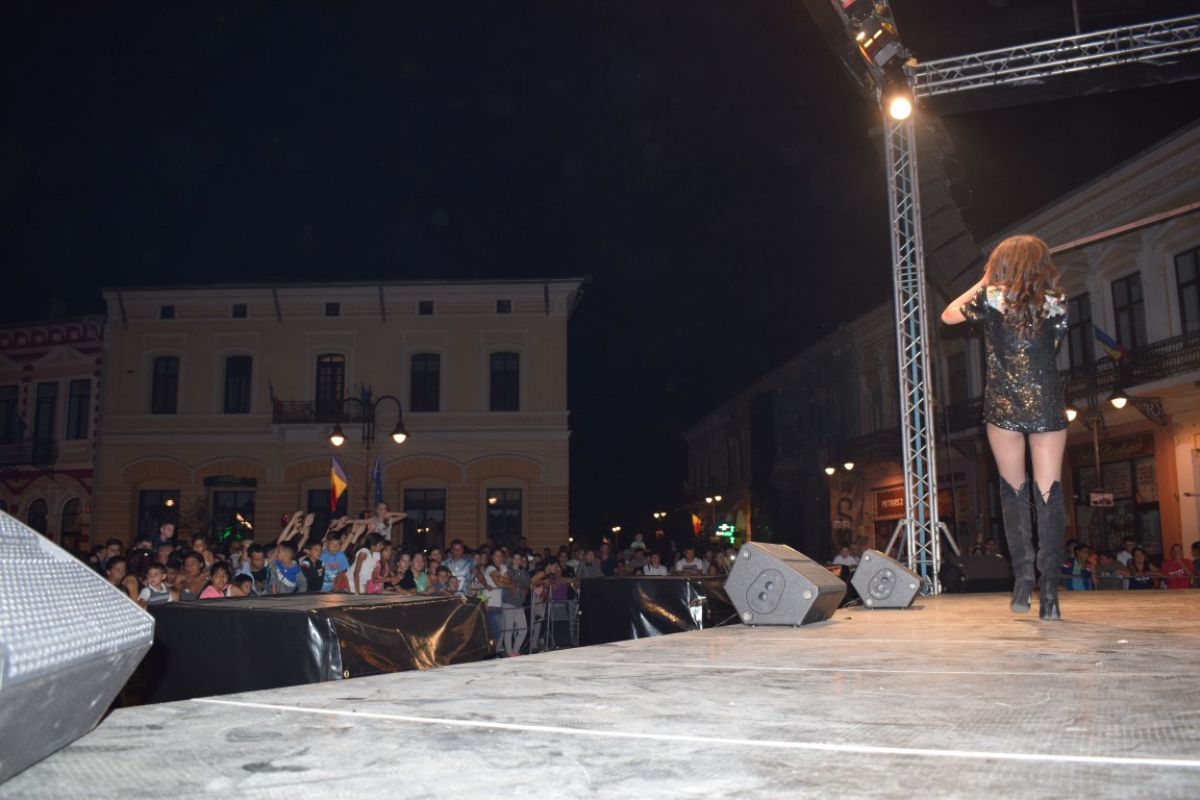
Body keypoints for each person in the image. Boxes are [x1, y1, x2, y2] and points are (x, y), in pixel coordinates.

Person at [942, 235, 1069, 620]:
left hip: (1003, 403)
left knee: (1013, 492)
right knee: (1050, 494)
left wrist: (984, 279)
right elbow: (1054, 347)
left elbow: (949, 315)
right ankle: (1050, 592)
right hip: (1046, 400)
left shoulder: (992, 297)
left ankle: (1023, 580)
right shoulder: (1056, 301)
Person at [481, 547, 512, 652]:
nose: (499, 557)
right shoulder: (490, 568)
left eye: (501, 555)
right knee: (496, 631)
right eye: (496, 555)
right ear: (492, 557)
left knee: (499, 631)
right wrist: (506, 581)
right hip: (490, 603)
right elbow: (499, 584)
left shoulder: (503, 567)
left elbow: (509, 580)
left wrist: (501, 577)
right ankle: (492, 652)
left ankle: (494, 652)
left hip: (499, 603)